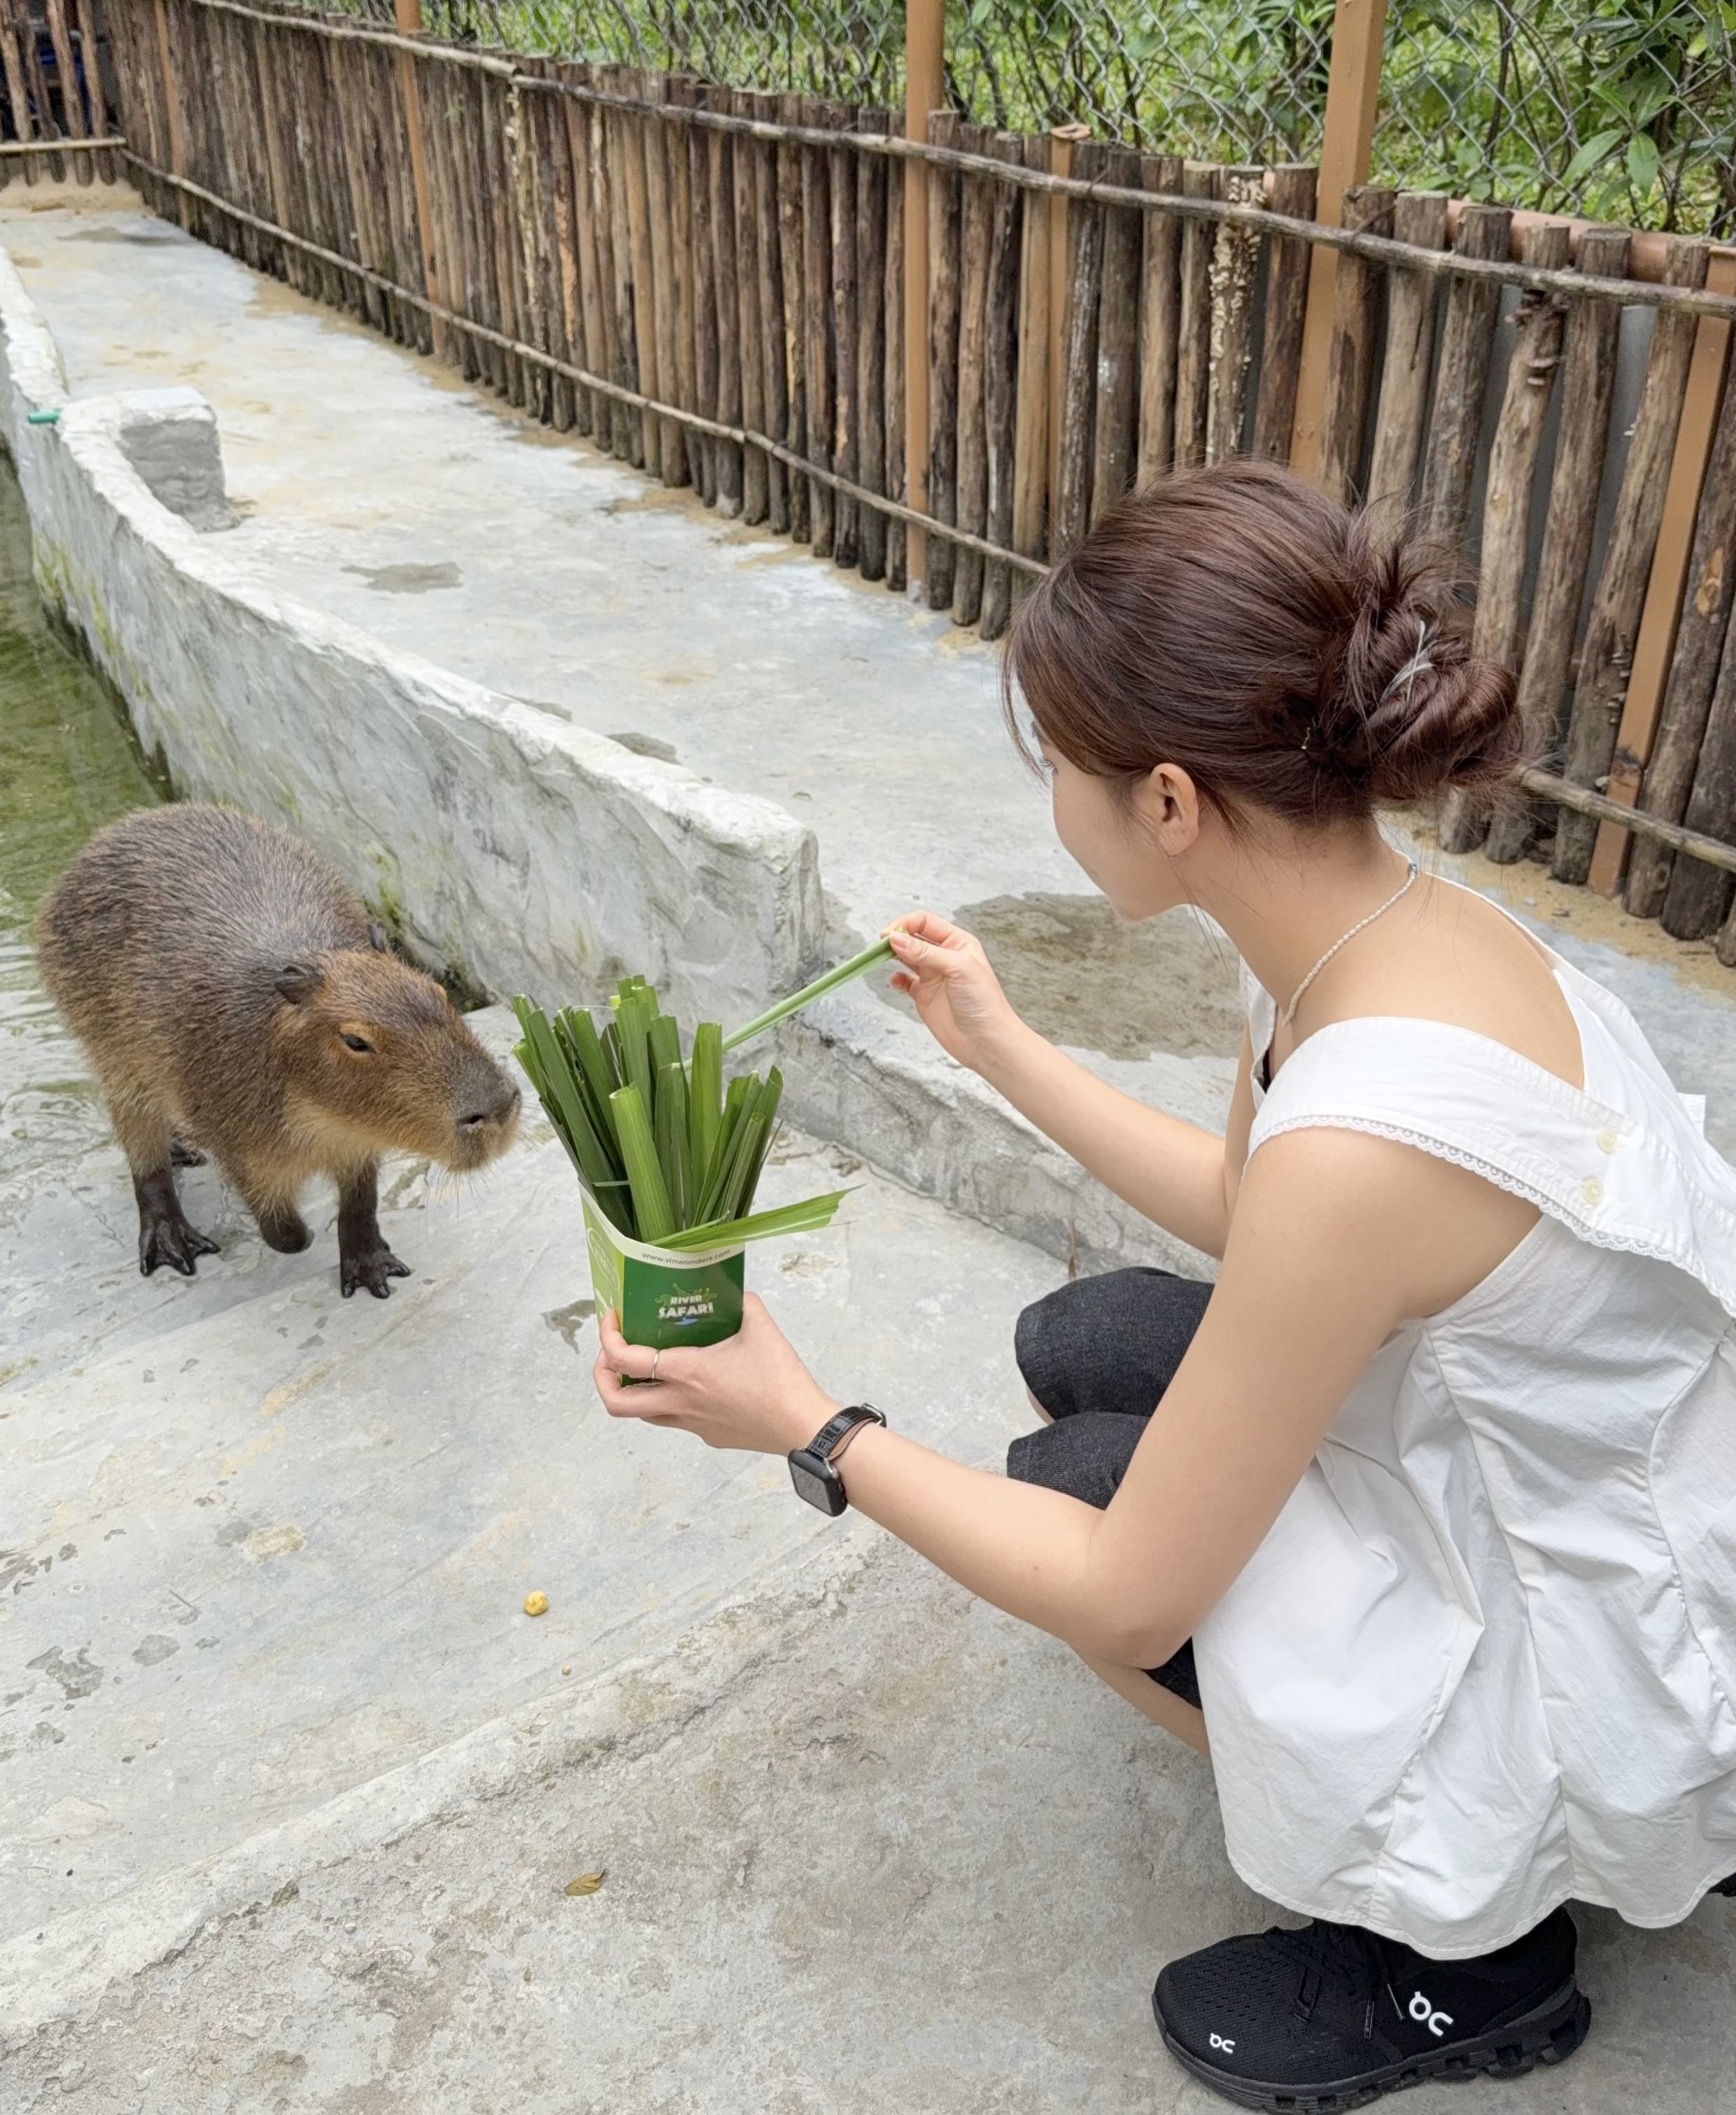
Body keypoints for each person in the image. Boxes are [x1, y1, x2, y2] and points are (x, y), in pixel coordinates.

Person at [593, 461, 1736, 2109]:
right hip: (1593, 1480)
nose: (1053, 801)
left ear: (1173, 802)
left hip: (1595, 1616)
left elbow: (1128, 1595)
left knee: (1069, 1507)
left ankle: (1474, 1952)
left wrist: (808, 1427)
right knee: (1087, 1340)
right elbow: (1244, 1207)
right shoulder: (1374, 936)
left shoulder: (1363, 1133)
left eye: (1061, 765)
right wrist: (996, 1043)